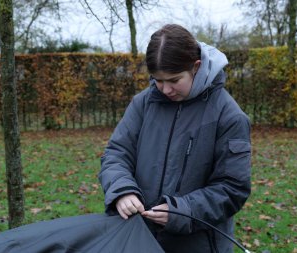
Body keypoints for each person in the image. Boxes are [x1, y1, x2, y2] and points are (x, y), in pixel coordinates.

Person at [99, 24, 251, 253]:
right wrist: (122, 190)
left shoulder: (228, 116)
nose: (165, 89)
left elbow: (232, 188)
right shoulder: (143, 104)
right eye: (158, 80)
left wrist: (182, 211)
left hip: (199, 245)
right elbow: (116, 153)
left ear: (196, 67)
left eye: (174, 80)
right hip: (139, 238)